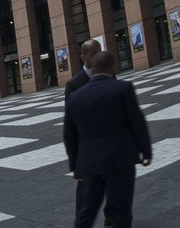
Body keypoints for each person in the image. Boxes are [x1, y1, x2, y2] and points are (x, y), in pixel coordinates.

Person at [63, 50, 151, 228]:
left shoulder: (75, 98)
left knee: (87, 211)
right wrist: (146, 152)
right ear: (112, 67)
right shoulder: (123, 88)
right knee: (122, 210)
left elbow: (69, 135)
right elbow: (137, 122)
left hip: (90, 163)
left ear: (93, 69)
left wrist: (75, 166)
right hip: (120, 160)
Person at [64, 40, 115, 227]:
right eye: (93, 53)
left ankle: (111, 220)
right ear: (83, 57)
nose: (97, 56)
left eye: (99, 52)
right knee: (85, 189)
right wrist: (74, 160)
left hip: (110, 143)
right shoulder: (74, 84)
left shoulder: (110, 75)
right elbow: (70, 125)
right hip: (88, 147)